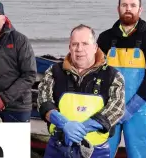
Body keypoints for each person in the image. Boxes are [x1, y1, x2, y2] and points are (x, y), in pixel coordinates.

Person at [37, 25, 125, 158]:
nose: (79, 49)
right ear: (69, 47)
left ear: (95, 47)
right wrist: (64, 124)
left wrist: (83, 128)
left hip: (96, 151)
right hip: (57, 148)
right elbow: (43, 101)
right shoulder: (54, 71)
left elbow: (116, 109)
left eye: (85, 44)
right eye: (75, 44)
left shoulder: (113, 76)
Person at [97, 0, 146, 158]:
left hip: (139, 107)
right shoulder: (104, 38)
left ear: (140, 10)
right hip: (109, 107)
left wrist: (130, 109)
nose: (128, 9)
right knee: (102, 151)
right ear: (118, 9)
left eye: (133, 5)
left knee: (141, 153)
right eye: (124, 5)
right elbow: (96, 73)